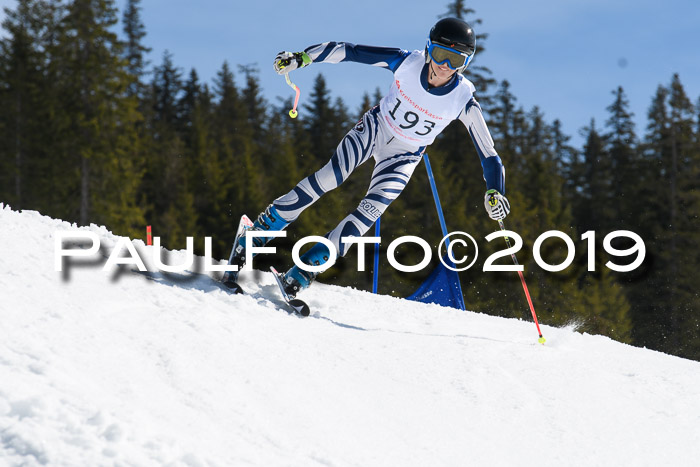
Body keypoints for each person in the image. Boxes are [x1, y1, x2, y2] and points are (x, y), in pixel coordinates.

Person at [222, 17, 510, 298]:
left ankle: (305, 270)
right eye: (440, 55)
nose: (444, 67)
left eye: (456, 61)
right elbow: (351, 51)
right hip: (376, 128)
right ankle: (255, 236)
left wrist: (495, 190)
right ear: (428, 48)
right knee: (329, 177)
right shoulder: (407, 62)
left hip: (404, 155)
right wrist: (303, 58)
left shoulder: (463, 99)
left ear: (465, 64)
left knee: (368, 214)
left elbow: (489, 155)